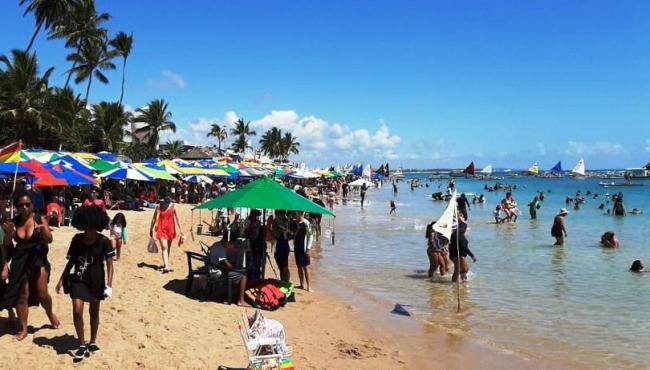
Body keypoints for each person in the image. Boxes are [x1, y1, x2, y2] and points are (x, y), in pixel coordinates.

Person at [56, 206, 114, 361]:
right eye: (86, 227)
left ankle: (93, 341)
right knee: (77, 310)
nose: (89, 230)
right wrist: (62, 278)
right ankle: (82, 344)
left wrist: (109, 285)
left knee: (94, 313)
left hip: (96, 282)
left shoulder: (104, 242)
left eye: (92, 227)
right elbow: (72, 261)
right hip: (78, 280)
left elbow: (110, 265)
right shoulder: (77, 239)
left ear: (97, 226)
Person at [0, 192, 59, 341]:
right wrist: (9, 232)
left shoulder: (39, 218)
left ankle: (50, 313)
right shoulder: (14, 221)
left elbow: (49, 239)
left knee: (42, 293)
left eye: (27, 204)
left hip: (38, 259)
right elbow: (7, 243)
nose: (25, 207)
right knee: (22, 296)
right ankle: (24, 328)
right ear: (17, 207)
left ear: (32, 205)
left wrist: (43, 230)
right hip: (20, 261)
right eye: (21, 205)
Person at [208, 239, 249, 306]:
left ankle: (234, 296)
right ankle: (241, 300)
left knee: (238, 273)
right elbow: (227, 265)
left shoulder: (216, 244)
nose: (232, 246)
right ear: (227, 242)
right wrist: (236, 268)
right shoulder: (220, 249)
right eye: (231, 244)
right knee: (244, 276)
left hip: (213, 269)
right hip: (216, 272)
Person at [149, 197, 183, 273]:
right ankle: (167, 266)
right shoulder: (159, 206)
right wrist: (151, 228)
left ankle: (165, 264)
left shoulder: (173, 206)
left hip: (170, 229)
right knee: (164, 247)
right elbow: (154, 218)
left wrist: (181, 230)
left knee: (168, 247)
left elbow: (178, 218)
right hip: (161, 228)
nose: (163, 204)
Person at [291, 211, 313, 291]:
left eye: (296, 213)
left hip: (304, 248)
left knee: (306, 267)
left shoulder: (306, 223)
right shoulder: (295, 223)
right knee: (299, 266)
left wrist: (308, 248)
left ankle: (308, 286)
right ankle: (301, 284)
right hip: (297, 247)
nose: (295, 214)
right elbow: (293, 235)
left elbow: (310, 236)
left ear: (300, 213)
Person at [272, 210, 291, 283]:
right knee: (280, 266)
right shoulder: (275, 221)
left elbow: (289, 233)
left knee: (285, 266)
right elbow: (274, 234)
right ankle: (283, 281)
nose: (277, 215)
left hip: (284, 244)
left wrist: (281, 226)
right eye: (276, 214)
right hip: (277, 244)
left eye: (279, 214)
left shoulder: (287, 221)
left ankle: (287, 282)